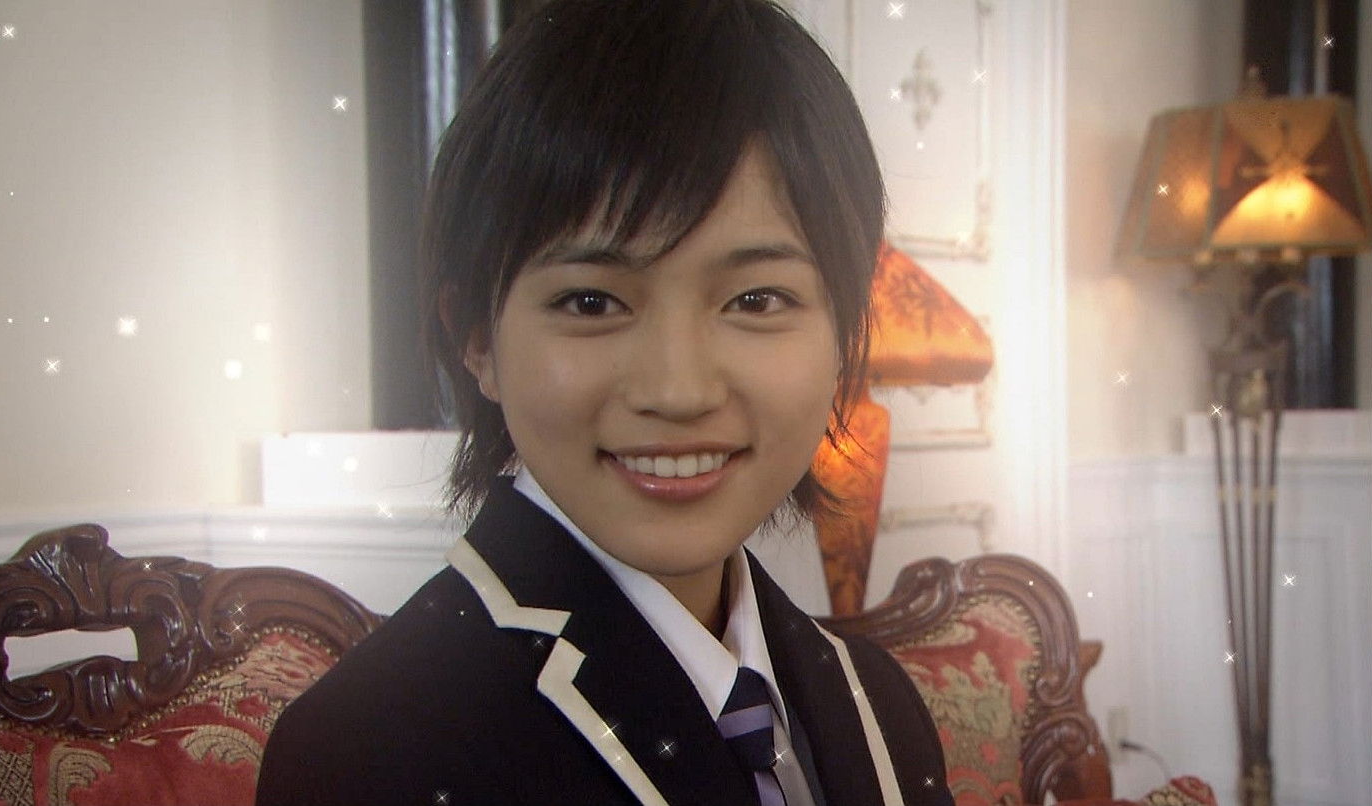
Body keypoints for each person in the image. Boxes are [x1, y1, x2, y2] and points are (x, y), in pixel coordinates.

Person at [256, 1, 954, 804]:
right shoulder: (373, 754)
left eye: (756, 299)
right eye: (592, 302)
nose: (678, 390)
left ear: (844, 324)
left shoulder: (878, 705)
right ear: (476, 338)